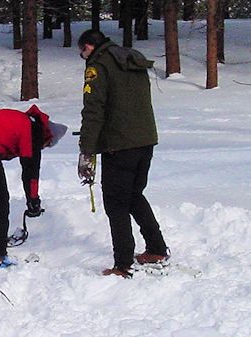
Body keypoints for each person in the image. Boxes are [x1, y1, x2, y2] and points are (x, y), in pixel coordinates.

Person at [77, 29, 169, 278]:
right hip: (145, 139)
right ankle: (157, 248)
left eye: (82, 52)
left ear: (89, 46)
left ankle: (123, 263)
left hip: (119, 144)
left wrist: (87, 150)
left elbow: (94, 109)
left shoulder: (98, 66)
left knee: (116, 202)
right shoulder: (131, 58)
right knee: (133, 195)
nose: (83, 57)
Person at [0, 105, 67, 267]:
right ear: (48, 136)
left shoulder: (26, 122)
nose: (43, 148)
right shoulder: (33, 131)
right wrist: (33, 201)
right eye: (47, 145)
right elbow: (31, 172)